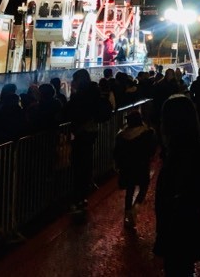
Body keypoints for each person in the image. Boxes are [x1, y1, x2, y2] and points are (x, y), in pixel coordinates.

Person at [154, 94, 200, 276]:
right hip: (191, 229)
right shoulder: (198, 151)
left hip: (177, 235)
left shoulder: (178, 159)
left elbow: (169, 202)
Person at [65, 67, 112, 215]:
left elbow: (71, 112)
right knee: (86, 163)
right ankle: (83, 197)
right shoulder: (94, 92)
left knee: (79, 165)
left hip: (82, 133)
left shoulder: (81, 96)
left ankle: (78, 199)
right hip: (91, 131)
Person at [113, 108, 157, 227]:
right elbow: (152, 150)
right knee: (143, 186)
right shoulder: (147, 133)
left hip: (127, 167)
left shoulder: (122, 136)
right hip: (142, 165)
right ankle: (135, 207)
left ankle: (127, 213)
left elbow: (116, 153)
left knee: (130, 189)